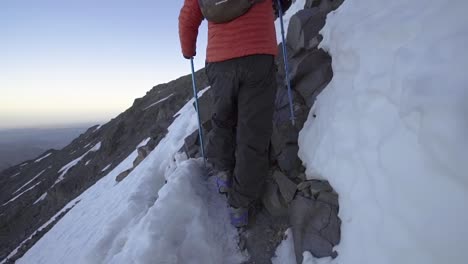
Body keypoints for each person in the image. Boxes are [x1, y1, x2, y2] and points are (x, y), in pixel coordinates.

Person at [178, 0, 291, 228]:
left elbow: (188, 14)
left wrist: (188, 49)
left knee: (223, 119)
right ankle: (240, 205)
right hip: (259, 54)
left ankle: (223, 174)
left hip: (220, 60)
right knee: (253, 131)